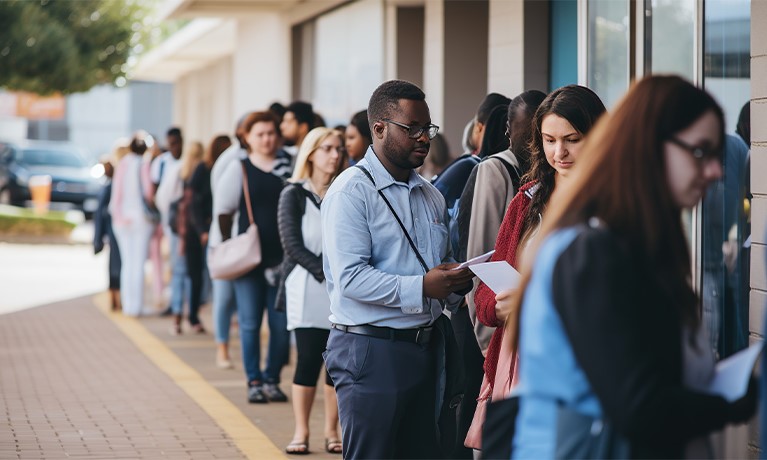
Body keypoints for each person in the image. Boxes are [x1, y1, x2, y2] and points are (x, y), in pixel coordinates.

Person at [510, 75, 757, 459]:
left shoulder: (630, 239)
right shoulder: (594, 250)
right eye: (700, 152)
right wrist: (733, 404)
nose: (715, 171)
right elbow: (638, 405)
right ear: (650, 148)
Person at [322, 79, 475, 459]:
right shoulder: (350, 192)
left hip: (426, 349)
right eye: (413, 129)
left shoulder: (431, 195)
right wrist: (424, 286)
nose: (424, 138)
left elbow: (436, 265)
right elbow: (351, 280)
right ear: (379, 128)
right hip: (370, 349)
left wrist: (455, 282)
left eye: (428, 129)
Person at [474, 85, 606, 402]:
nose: (559, 152)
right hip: (522, 364)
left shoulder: (618, 205)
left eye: (572, 140)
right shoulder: (527, 200)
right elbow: (484, 295)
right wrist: (497, 305)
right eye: (549, 141)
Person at [277, 127, 347, 455]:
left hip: (342, 289)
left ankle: (332, 430)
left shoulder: (347, 191)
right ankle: (301, 431)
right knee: (307, 360)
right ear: (310, 154)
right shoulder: (292, 193)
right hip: (306, 286)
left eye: (338, 148)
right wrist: (326, 270)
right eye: (327, 148)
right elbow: (291, 244)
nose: (335, 154)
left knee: (336, 363)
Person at [460, 89, 546, 354]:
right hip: (493, 327)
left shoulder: (545, 180)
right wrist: (487, 342)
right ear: (509, 131)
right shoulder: (495, 170)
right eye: (527, 130)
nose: (537, 140)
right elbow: (482, 257)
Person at [216, 111, 292, 404]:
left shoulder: (289, 166)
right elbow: (224, 211)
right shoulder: (240, 168)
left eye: (271, 133)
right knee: (249, 324)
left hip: (282, 260)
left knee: (280, 327)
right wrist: (231, 245)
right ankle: (254, 381)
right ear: (247, 137)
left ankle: (273, 378)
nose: (266, 139)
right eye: (259, 134)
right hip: (248, 262)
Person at [209, 117, 249, 369]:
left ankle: (248, 357)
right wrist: (226, 244)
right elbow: (221, 204)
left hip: (250, 243)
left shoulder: (273, 158)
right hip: (225, 243)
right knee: (223, 299)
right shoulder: (231, 159)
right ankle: (222, 348)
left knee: (246, 305)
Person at [109, 131, 155, 317]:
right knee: (138, 263)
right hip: (140, 220)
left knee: (128, 263)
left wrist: (118, 216)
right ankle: (137, 305)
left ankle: (128, 306)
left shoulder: (123, 165)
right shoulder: (143, 165)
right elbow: (149, 192)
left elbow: (116, 194)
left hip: (122, 220)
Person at [94, 142, 128, 312]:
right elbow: (101, 213)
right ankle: (116, 299)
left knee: (117, 264)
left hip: (116, 228)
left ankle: (117, 299)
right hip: (117, 229)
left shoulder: (113, 182)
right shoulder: (113, 183)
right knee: (118, 264)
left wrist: (98, 239)